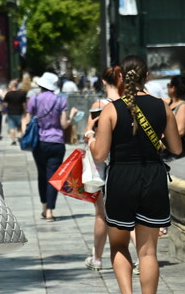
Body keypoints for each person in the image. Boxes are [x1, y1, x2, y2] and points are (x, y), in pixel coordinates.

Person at [85, 55, 182, 294]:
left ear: (120, 77)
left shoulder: (111, 109)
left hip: (121, 179)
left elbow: (99, 155)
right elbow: (176, 148)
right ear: (146, 76)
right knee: (148, 252)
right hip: (153, 177)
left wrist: (90, 138)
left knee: (118, 245)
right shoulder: (163, 106)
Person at [83, 66, 123, 271]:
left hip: (103, 164)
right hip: (124, 162)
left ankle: (97, 258)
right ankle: (143, 258)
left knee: (101, 213)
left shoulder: (99, 105)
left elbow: (88, 131)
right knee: (128, 212)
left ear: (104, 81)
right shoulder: (129, 104)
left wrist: (89, 135)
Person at [25, 72, 77, 221]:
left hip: (39, 143)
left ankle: (43, 206)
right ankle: (50, 211)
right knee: (54, 177)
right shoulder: (61, 101)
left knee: (42, 176)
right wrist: (72, 116)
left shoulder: (33, 100)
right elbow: (63, 124)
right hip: (57, 142)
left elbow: (28, 122)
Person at [164, 75, 185, 141]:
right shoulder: (170, 102)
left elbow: (179, 132)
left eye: (169, 85)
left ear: (173, 88)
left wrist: (161, 142)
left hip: (177, 148)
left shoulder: (183, 107)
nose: (167, 88)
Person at [3, 80, 26, 145]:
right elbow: (24, 104)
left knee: (11, 127)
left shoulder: (8, 94)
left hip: (11, 112)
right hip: (19, 112)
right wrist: (25, 111)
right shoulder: (21, 94)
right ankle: (19, 136)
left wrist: (4, 110)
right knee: (19, 126)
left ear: (12, 86)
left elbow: (4, 104)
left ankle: (13, 141)